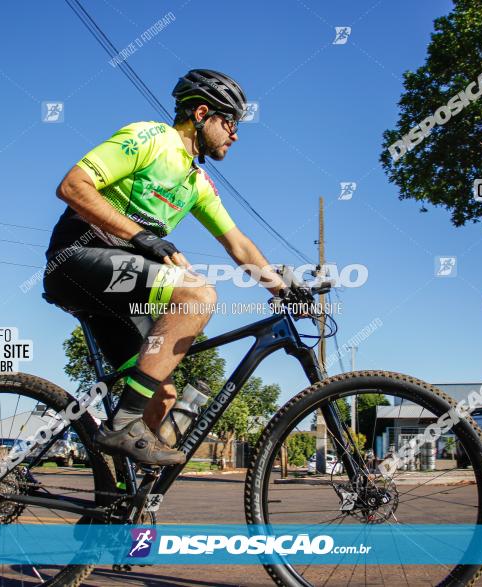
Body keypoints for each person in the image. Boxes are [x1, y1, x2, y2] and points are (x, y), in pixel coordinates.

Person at [43, 69, 297, 466]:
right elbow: (74, 186)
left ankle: (117, 506)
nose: (235, 134)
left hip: (117, 297)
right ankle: (122, 425)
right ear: (201, 113)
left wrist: (284, 289)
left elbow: (239, 244)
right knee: (197, 295)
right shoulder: (151, 138)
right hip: (78, 259)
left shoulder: (196, 182)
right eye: (230, 121)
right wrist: (141, 237)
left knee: (161, 396)